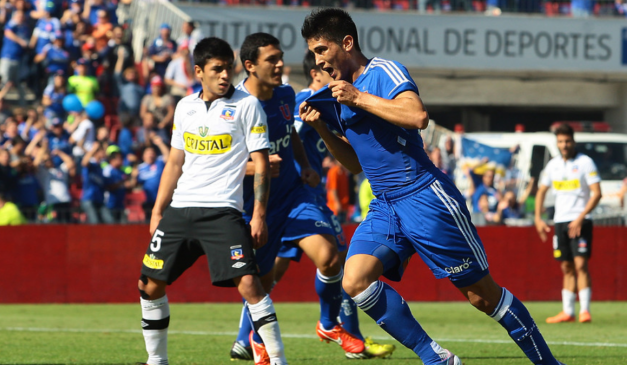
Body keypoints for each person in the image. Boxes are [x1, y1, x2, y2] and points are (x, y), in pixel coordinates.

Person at [299, 8, 565, 365]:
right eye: (313, 53)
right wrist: (321, 130)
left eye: (321, 50)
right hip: (385, 204)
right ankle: (437, 358)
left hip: (424, 197)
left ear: (346, 43)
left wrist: (359, 98)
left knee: (483, 298)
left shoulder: (382, 72)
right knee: (354, 280)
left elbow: (417, 116)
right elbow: (357, 165)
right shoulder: (338, 96)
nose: (317, 62)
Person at [137, 37, 287, 365]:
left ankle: (278, 361)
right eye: (216, 69)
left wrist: (258, 215)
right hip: (181, 209)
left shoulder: (247, 106)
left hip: (223, 211)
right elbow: (175, 162)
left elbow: (261, 162)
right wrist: (158, 209)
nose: (224, 76)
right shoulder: (185, 107)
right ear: (198, 72)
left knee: (249, 284)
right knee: (148, 285)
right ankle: (156, 361)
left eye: (228, 69)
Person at [231, 32, 364, 363]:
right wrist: (255, 167)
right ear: (250, 66)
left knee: (331, 257)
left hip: (295, 194)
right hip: (258, 206)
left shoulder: (285, 95)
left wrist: (304, 166)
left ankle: (327, 323)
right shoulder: (232, 108)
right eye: (272, 60)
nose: (281, 64)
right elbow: (218, 162)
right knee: (262, 281)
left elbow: (289, 134)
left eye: (280, 57)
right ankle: (253, 338)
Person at [271, 49, 395, 360]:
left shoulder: (326, 108)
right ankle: (341, 331)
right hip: (296, 197)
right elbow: (287, 138)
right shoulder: (299, 103)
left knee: (330, 258)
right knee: (280, 268)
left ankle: (346, 334)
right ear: (315, 74)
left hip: (311, 196)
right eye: (329, 71)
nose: (336, 76)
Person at [534, 124, 601, 324]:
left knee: (581, 264)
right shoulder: (553, 165)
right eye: (561, 142)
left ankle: (585, 311)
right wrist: (538, 218)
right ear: (557, 143)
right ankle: (567, 311)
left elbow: (597, 193)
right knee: (566, 266)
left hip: (581, 221)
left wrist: (580, 217)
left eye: (567, 141)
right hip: (560, 222)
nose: (564, 145)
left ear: (573, 141)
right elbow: (541, 192)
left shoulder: (585, 163)